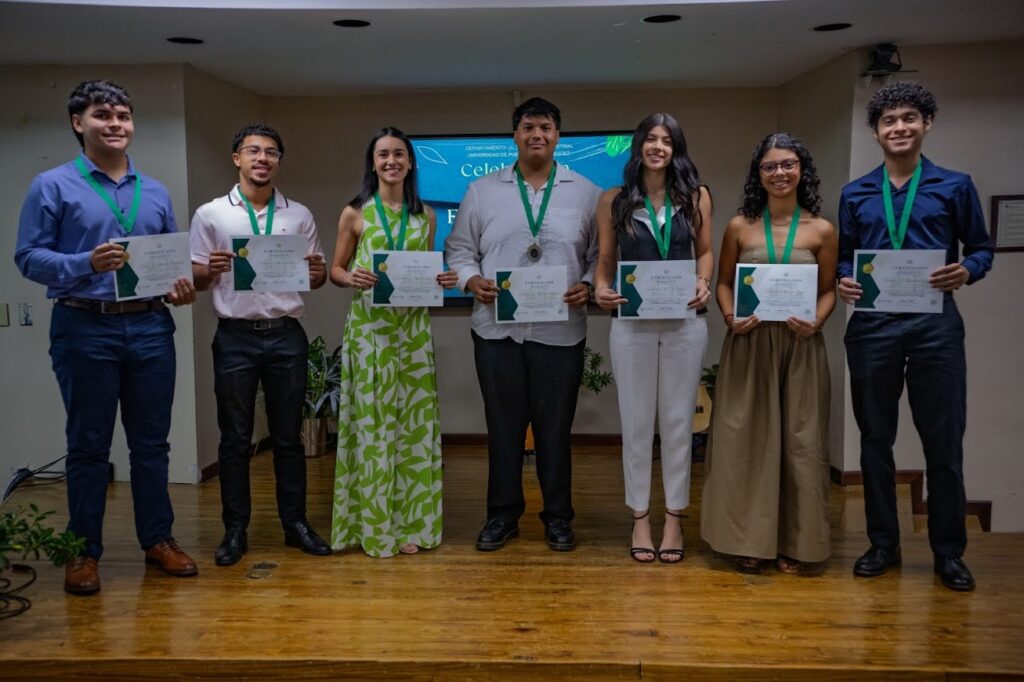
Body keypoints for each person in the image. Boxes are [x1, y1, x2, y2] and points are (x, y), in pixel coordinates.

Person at [14, 80, 198, 595]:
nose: (116, 124)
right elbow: (28, 257)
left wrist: (180, 287)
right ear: (79, 123)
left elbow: (168, 260)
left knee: (151, 444)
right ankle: (82, 552)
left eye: (123, 116)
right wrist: (84, 262)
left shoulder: (154, 190)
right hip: (84, 325)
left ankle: (158, 540)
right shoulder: (51, 185)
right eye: (103, 115)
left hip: (150, 325)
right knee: (89, 446)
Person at [838, 81, 993, 591]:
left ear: (927, 124)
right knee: (874, 440)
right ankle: (883, 544)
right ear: (876, 132)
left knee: (943, 441)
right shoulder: (855, 193)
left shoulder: (955, 186)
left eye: (909, 118)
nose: (899, 127)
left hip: (934, 326)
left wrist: (967, 270)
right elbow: (845, 257)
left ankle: (948, 552)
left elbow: (981, 248)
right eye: (889, 121)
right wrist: (844, 279)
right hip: (873, 326)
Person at [445, 97, 601, 552]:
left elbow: (600, 256)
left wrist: (589, 284)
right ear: (515, 135)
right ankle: (502, 516)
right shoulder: (481, 191)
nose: (537, 134)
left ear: (558, 136)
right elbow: (459, 249)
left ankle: (558, 518)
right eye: (529, 126)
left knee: (555, 430)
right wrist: (470, 279)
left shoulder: (587, 192)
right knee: (503, 428)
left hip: (560, 332)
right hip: (496, 331)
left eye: (546, 127)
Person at [189, 123, 331, 566]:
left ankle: (296, 524)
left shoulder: (298, 215)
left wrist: (317, 275)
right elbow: (195, 280)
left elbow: (317, 277)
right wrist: (208, 270)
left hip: (286, 334)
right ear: (237, 158)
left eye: (271, 152)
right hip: (235, 337)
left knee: (289, 438)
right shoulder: (211, 214)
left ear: (278, 161)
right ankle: (235, 529)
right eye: (253, 150)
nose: (262, 158)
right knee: (234, 439)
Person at [700, 132, 837, 575]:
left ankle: (796, 542)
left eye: (788, 164)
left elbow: (829, 290)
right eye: (770, 166)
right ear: (758, 174)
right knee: (746, 441)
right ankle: (749, 540)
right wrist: (729, 315)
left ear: (802, 170)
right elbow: (724, 284)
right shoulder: (740, 227)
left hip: (800, 346)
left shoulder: (821, 230)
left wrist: (817, 321)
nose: (779, 173)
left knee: (801, 443)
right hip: (750, 344)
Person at [329, 127, 457, 558]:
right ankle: (373, 525)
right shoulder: (354, 213)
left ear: (410, 162)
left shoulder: (427, 216)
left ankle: (412, 523)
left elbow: (426, 268)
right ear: (373, 162)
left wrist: (442, 279)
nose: (391, 161)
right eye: (383, 154)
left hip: (413, 332)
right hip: (370, 331)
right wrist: (350, 277)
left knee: (412, 427)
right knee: (372, 425)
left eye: (399, 154)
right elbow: (335, 269)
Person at [593, 113, 713, 563]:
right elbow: (607, 258)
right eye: (650, 139)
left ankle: (674, 519)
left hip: (684, 322)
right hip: (632, 323)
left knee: (679, 422)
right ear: (638, 146)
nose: (657, 147)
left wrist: (703, 281)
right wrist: (601, 287)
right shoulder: (614, 199)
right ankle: (640, 517)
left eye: (666, 140)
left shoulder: (695, 196)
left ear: (676, 148)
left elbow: (705, 251)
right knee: (637, 423)